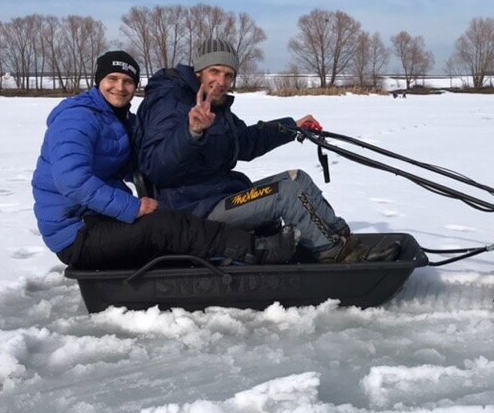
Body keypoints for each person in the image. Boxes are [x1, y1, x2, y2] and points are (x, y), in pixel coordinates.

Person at [136, 39, 400, 263]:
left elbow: (246, 141)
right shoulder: (171, 104)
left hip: (216, 195)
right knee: (286, 193)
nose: (221, 81)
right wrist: (192, 132)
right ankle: (335, 255)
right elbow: (156, 168)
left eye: (228, 75)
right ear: (199, 72)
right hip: (193, 210)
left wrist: (292, 127)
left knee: (297, 179)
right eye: (214, 71)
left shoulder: (215, 107)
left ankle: (343, 239)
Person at [31, 50, 297, 271]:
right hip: (75, 232)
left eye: (128, 81)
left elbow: (152, 162)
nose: (120, 87)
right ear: (98, 80)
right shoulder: (76, 118)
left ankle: (232, 256)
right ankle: (259, 251)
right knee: (164, 227)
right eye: (112, 78)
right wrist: (131, 207)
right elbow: (71, 180)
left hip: (98, 219)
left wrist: (192, 135)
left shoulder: (122, 121)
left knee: (169, 223)